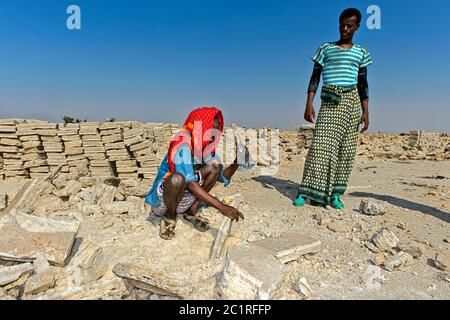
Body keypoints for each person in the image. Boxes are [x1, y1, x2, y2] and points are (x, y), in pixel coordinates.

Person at [294, 8, 373, 209]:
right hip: (330, 101)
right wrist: (309, 103)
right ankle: (305, 191)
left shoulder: (361, 52)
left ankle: (335, 195)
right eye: (342, 25)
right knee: (320, 147)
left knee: (345, 150)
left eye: (349, 26)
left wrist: (366, 111)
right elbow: (315, 78)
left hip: (352, 103)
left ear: (357, 27)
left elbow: (363, 84)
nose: (344, 29)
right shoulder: (325, 48)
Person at [145, 107, 244, 240]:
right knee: (177, 179)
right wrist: (222, 207)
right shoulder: (183, 144)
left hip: (185, 199)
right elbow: (189, 182)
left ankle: (191, 210)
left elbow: (221, 177)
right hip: (165, 201)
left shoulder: (206, 148)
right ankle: (170, 217)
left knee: (215, 165)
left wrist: (238, 161)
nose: (212, 135)